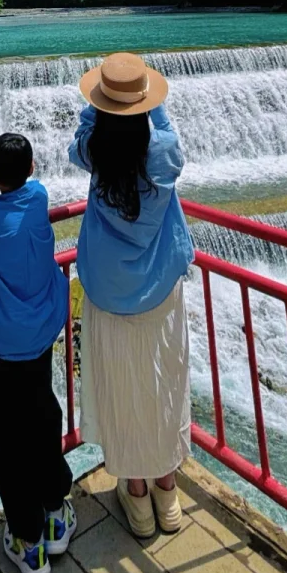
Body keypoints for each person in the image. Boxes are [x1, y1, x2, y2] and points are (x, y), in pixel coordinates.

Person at [70, 52, 195, 539]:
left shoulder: (94, 149)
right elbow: (165, 130)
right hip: (159, 287)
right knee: (163, 382)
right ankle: (168, 494)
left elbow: (83, 135)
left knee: (122, 388)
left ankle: (137, 499)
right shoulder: (163, 151)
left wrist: (100, 103)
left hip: (107, 289)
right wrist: (147, 102)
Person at [0, 132, 76, 573]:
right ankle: (55, 513)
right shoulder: (39, 197)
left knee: (8, 435)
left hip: (2, 341)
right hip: (40, 330)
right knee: (43, 414)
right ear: (32, 169)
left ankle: (28, 543)